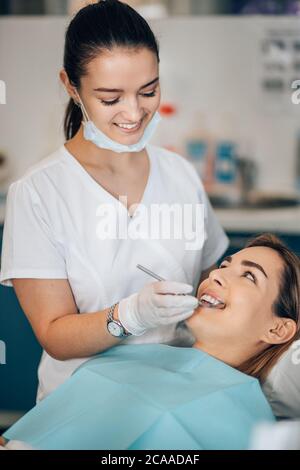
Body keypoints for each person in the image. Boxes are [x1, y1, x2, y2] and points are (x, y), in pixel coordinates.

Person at [0, 0, 228, 403]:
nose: (134, 112)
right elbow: (55, 334)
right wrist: (129, 316)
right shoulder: (38, 193)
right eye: (110, 98)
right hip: (82, 410)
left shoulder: (181, 175)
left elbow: (214, 289)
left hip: (179, 402)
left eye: (148, 91)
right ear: (71, 86)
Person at [1, 234, 299, 450]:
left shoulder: (245, 422)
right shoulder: (130, 357)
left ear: (278, 330)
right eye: (224, 265)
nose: (217, 275)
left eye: (249, 276)